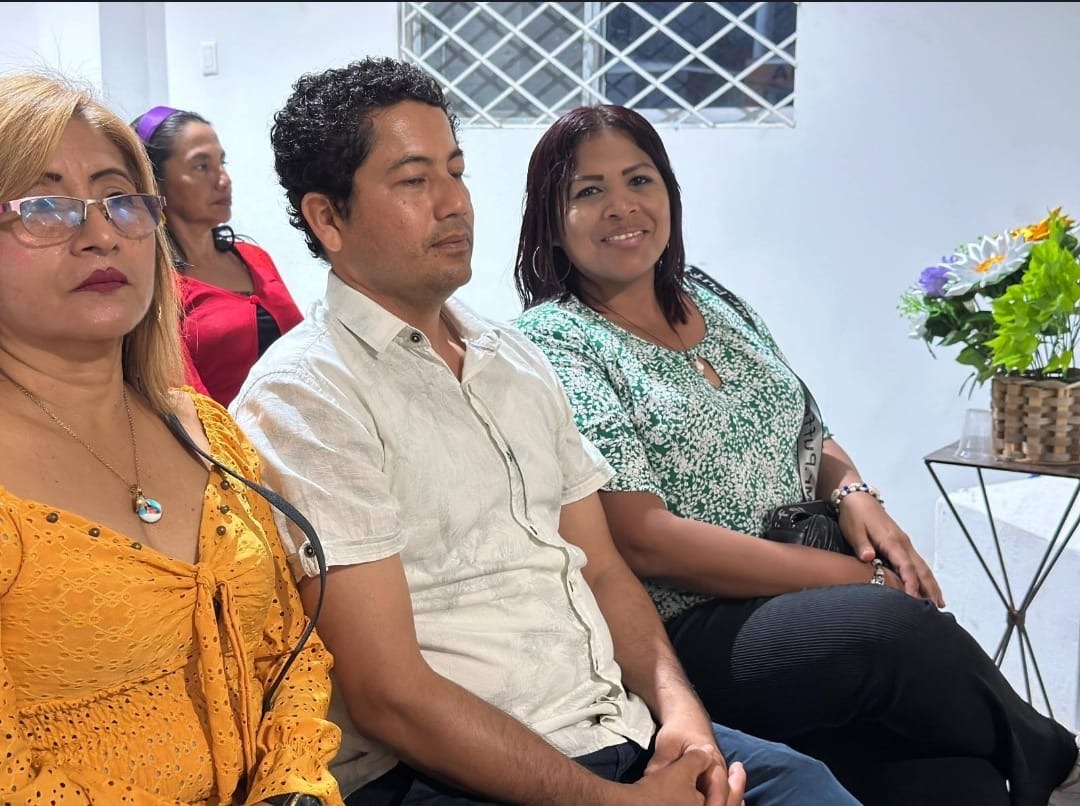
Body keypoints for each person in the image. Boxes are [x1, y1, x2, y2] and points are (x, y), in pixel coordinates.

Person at [230, 56, 861, 806]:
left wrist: (684, 719)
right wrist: (617, 804)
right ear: (328, 218)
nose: (454, 203)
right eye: (413, 181)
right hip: (450, 774)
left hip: (614, 728)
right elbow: (388, 694)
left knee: (812, 786)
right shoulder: (307, 394)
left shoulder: (512, 358)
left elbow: (602, 570)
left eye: (455, 171)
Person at [511, 103, 1080, 806]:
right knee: (892, 627)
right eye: (589, 191)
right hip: (685, 628)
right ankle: (1058, 761)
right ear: (552, 221)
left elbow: (805, 426)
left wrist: (854, 492)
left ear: (669, 193)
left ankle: (1025, 771)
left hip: (803, 595)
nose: (622, 206)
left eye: (639, 179)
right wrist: (853, 579)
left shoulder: (709, 298)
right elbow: (643, 538)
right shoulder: (554, 341)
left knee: (956, 779)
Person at [0, 71, 342, 806]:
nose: (101, 235)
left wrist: (294, 787)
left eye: (121, 200)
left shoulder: (205, 430)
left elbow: (288, 648)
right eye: (45, 206)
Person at [132, 105, 304, 406]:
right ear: (155, 181)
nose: (223, 180)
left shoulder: (255, 258)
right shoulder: (157, 287)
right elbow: (182, 399)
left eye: (221, 163)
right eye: (201, 166)